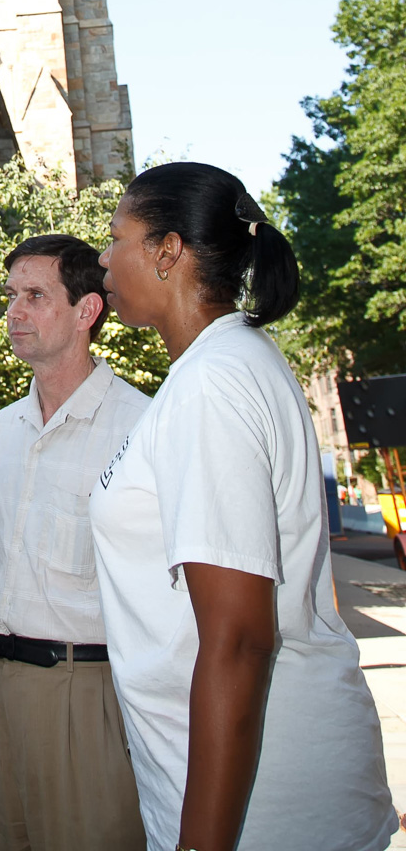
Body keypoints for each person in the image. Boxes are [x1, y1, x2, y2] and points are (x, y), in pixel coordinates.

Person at [91, 162, 397, 851]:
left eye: (116, 238)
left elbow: (239, 638)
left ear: (168, 251)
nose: (103, 258)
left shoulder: (213, 386)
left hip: (263, 807)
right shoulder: (224, 365)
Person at [0, 233, 149, 851]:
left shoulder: (142, 429)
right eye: (11, 295)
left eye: (36, 296)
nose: (14, 311)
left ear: (86, 311)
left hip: (89, 698)